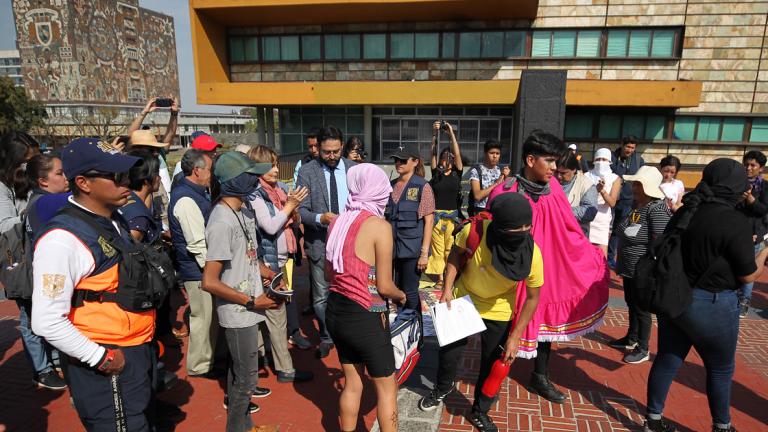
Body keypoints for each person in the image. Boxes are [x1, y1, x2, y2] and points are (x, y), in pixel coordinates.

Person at [30, 138, 155, 429]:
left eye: (127, 174)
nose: (128, 182)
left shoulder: (113, 218)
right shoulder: (62, 239)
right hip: (107, 358)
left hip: (133, 347)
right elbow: (47, 320)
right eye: (117, 176)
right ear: (84, 183)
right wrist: (101, 357)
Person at [643, 158, 768, 432]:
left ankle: (653, 420)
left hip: (674, 298)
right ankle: (722, 426)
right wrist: (765, 251)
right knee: (721, 369)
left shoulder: (687, 209)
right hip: (714, 305)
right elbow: (748, 276)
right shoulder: (734, 221)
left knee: (668, 357)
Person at [487, 130, 609, 404]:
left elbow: (568, 227)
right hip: (508, 274)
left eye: (556, 162)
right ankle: (492, 378)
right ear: (530, 160)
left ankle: (539, 376)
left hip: (546, 270)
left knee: (543, 326)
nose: (556, 168)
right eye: (550, 161)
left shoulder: (553, 188)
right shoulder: (505, 191)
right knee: (501, 330)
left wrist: (591, 257)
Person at [418, 193, 544, 432]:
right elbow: (455, 254)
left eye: (526, 228)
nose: (522, 234)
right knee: (449, 354)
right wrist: (446, 289)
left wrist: (515, 336)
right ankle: (442, 388)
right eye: (515, 229)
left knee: (494, 363)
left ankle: (480, 410)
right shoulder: (475, 232)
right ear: (499, 227)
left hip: (499, 308)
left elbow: (533, 298)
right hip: (464, 297)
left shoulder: (533, 254)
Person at [325, 163, 407, 432]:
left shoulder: (337, 221)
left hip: (336, 311)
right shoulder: (379, 226)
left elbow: (329, 274)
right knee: (387, 388)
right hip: (366, 316)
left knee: (353, 382)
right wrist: (402, 295)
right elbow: (384, 287)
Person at [201, 151, 279, 432]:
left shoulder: (243, 210)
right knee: (246, 379)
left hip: (249, 307)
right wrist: (251, 299)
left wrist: (265, 271)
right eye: (251, 175)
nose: (257, 179)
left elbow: (245, 254)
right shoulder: (221, 220)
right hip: (239, 311)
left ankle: (245, 425)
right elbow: (209, 281)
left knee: (241, 374)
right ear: (234, 182)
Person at [247, 146, 316, 381]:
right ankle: (285, 368)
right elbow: (270, 226)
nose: (276, 170)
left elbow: (291, 221)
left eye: (276, 164)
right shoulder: (256, 194)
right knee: (276, 315)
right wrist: (289, 207)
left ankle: (266, 358)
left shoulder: (277, 190)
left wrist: (291, 210)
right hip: (266, 261)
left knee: (274, 312)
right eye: (271, 165)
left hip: (279, 257)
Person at [297, 126, 357, 358]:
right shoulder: (307, 171)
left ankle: (347, 333)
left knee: (349, 292)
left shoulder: (353, 169)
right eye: (326, 152)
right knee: (321, 295)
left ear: (342, 146)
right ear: (318, 149)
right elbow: (300, 211)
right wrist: (319, 218)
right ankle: (326, 336)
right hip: (319, 242)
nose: (331, 156)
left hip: (350, 244)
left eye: (335, 151)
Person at [10, 153, 68, 391]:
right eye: (60, 173)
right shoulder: (46, 203)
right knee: (33, 322)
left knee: (39, 320)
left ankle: (50, 364)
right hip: (35, 276)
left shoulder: (40, 200)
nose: (66, 178)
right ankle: (42, 370)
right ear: (43, 181)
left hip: (40, 274)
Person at [609, 166, 672, 364]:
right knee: (632, 303)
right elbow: (621, 228)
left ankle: (643, 348)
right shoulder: (638, 208)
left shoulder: (657, 209)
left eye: (638, 184)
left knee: (642, 308)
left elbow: (661, 241)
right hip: (630, 268)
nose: (634, 188)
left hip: (643, 270)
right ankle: (631, 337)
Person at [168, 149, 219, 377]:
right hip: (198, 272)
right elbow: (197, 242)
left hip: (201, 270)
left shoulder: (195, 193)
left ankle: (208, 360)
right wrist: (211, 272)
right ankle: (199, 365)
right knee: (203, 318)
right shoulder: (187, 199)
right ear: (197, 170)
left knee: (209, 318)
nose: (212, 174)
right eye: (210, 169)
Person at [386, 144, 435, 311]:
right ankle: (401, 330)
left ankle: (415, 331)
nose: (398, 163)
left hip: (412, 250)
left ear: (415, 162)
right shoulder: (389, 185)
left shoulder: (423, 186)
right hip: (392, 249)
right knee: (395, 291)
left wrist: (424, 254)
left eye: (403, 160)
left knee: (411, 292)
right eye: (396, 160)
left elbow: (429, 222)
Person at [427, 121, 464, 288]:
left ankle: (450, 277)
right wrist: (435, 135)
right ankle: (440, 278)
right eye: (445, 157)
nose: (448, 159)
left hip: (452, 218)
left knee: (450, 249)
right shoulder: (436, 173)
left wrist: (451, 134)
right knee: (438, 249)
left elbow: (457, 153)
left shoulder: (457, 173)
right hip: (437, 217)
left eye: (450, 158)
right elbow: (432, 153)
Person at [737, 150, 768, 317]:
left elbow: (763, 210)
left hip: (757, 234)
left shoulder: (765, 187)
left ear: (760, 168)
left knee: (750, 268)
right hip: (736, 232)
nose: (748, 168)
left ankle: (744, 301)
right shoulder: (737, 183)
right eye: (746, 164)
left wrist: (750, 199)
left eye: (753, 165)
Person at [608, 135, 645, 268]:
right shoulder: (611, 157)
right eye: (628, 146)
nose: (630, 150)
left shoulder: (638, 160)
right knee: (604, 229)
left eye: (633, 147)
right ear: (622, 144)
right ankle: (600, 256)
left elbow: (641, 178)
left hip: (627, 200)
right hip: (610, 198)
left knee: (619, 230)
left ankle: (611, 258)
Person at [118, 150, 163, 244]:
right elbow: (129, 252)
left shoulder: (124, 197)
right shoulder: (139, 219)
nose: (160, 178)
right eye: (157, 174)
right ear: (146, 180)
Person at [584, 148, 622, 256]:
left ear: (609, 161)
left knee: (601, 256)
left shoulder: (615, 178)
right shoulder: (586, 176)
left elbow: (612, 203)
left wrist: (602, 190)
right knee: (585, 254)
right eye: (598, 159)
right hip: (587, 218)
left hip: (602, 220)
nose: (601, 162)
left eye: (604, 159)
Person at [0, 132, 36, 233]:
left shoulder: (33, 177)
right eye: (28, 162)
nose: (35, 165)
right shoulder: (3, 186)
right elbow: (4, 226)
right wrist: (34, 213)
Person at [556, 151, 598, 237]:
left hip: (575, 236)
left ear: (574, 170)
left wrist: (559, 211)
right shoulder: (549, 181)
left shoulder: (586, 184)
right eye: (557, 172)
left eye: (563, 173)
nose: (559, 176)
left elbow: (590, 212)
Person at [468, 140, 504, 216]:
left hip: (498, 210)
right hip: (481, 211)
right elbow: (477, 196)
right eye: (491, 153)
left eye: (497, 153)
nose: (495, 156)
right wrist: (496, 183)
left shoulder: (501, 171)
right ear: (485, 153)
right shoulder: (477, 170)